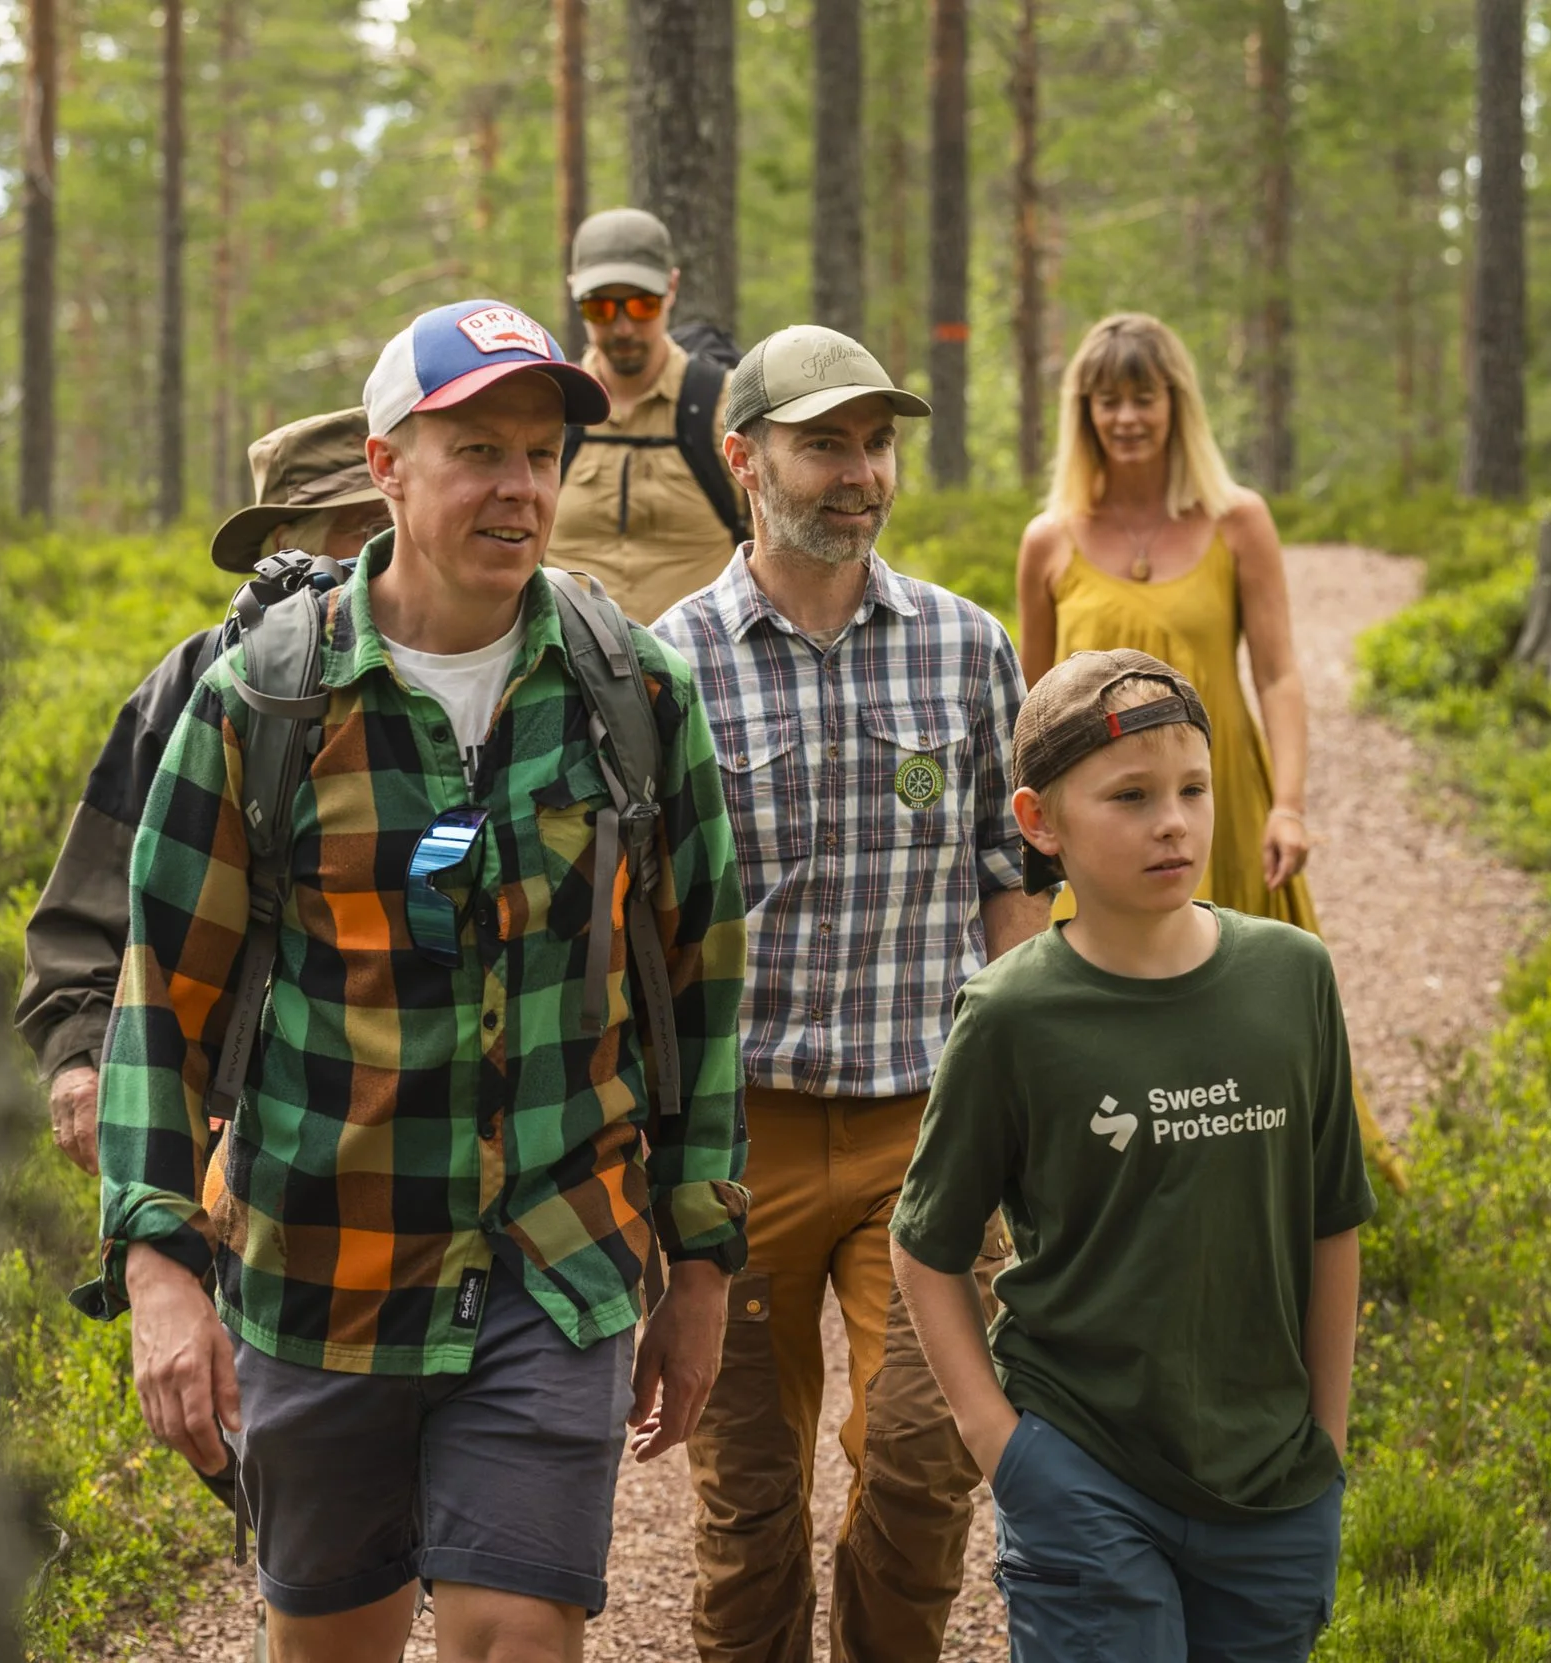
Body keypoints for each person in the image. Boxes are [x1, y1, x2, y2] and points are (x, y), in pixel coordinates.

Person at [95, 299, 751, 1663]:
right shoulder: (262, 703)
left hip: (555, 1254)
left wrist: (701, 1257)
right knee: (333, 1637)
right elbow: (165, 997)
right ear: (387, 466)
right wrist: (160, 1263)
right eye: (477, 452)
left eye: (539, 454)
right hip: (323, 1260)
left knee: (521, 1630)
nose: (517, 487)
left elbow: (701, 989)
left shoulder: (634, 692)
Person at [652, 325, 1046, 1663]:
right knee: (749, 1489)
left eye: (876, 441)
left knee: (932, 1457)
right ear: (743, 454)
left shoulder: (967, 646)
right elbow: (641, 927)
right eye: (825, 441)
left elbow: (1014, 870)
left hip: (923, 1132)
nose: (860, 472)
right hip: (738, 1138)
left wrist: (1011, 1093)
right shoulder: (669, 667)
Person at [889, 648, 1373, 1663]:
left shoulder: (1291, 979)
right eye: (1131, 795)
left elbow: (1332, 1221)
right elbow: (925, 1246)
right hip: (1084, 1469)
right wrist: (1000, 1444)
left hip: (1273, 1486)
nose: (1174, 822)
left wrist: (1324, 1445)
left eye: (1193, 788)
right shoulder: (1012, 1015)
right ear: (1038, 822)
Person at [1013, 312, 1404, 1190]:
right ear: (1084, 412)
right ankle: (1129, 1186)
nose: (1126, 418)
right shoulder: (1051, 538)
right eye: (1106, 399)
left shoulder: (1237, 523)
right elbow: (1033, 711)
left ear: (1175, 403)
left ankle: (1283, 1181)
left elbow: (1278, 676)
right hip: (1100, 823)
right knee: (1109, 1010)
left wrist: (1289, 803)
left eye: (1142, 396)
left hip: (1211, 800)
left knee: (1250, 1005)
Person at [15, 406, 393, 1165]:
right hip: (226, 1118)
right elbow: (81, 913)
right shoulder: (197, 685)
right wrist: (82, 1058)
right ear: (285, 549)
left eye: (393, 523)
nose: (386, 553)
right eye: (358, 530)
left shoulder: (455, 680)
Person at [546, 207, 748, 624]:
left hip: (701, 677)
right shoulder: (549, 412)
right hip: (567, 679)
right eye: (600, 308)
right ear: (574, 294)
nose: (622, 328)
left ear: (671, 288)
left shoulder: (725, 406)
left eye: (641, 304)